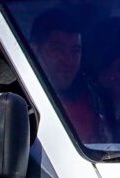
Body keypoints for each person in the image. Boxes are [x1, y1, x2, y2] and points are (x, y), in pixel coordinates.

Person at [29, 8, 106, 141]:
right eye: (58, 50)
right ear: (35, 50)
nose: (68, 61)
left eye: (75, 51)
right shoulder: (19, 99)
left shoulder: (91, 101)